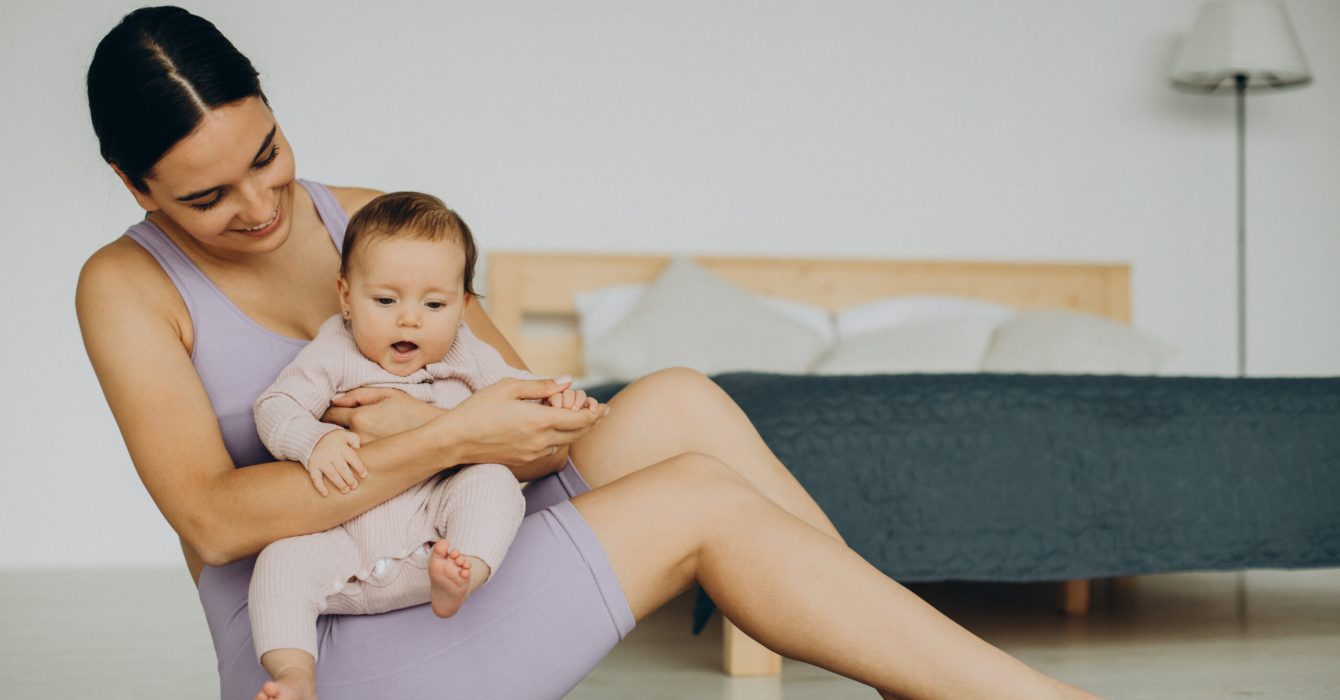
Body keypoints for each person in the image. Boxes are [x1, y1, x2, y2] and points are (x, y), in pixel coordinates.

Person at [76, 6, 1095, 699]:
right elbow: (212, 522)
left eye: (267, 157)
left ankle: (917, 676)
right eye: (207, 198)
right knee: (699, 496)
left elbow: (523, 421)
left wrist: (471, 426)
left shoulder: (370, 222)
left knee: (682, 401)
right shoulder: (125, 286)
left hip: (459, 540)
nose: (259, 208)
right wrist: (439, 438)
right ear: (138, 188)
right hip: (329, 629)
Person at [247, 191, 603, 698]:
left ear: (462, 305)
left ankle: (463, 574)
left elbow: (518, 390)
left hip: (431, 540)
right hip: (341, 543)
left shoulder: (466, 350)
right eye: (386, 301)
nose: (409, 319)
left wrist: (558, 404)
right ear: (346, 297)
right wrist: (314, 439)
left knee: (492, 480)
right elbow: (275, 405)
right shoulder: (335, 348)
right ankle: (294, 674)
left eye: (434, 304)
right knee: (279, 562)